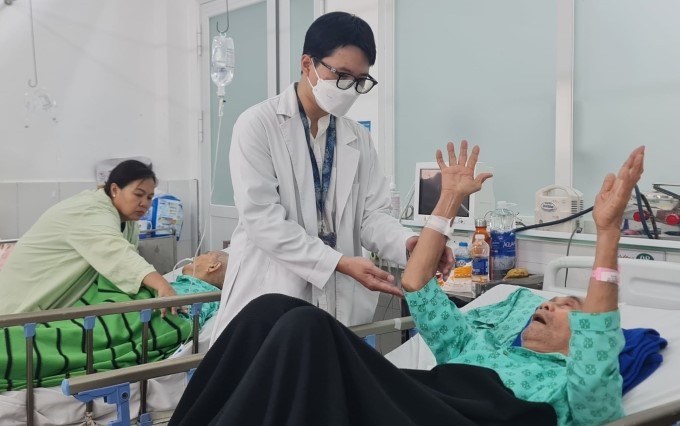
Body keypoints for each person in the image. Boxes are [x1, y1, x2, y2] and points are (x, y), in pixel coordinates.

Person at [169, 141, 645, 426]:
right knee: (269, 309)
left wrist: (607, 233)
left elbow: (599, 336)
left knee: (305, 331)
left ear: (587, 339)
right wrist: (449, 201)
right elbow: (417, 284)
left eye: (568, 306)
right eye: (553, 300)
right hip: (412, 398)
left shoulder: (578, 387)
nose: (548, 304)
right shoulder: (476, 343)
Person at [211, 11, 452, 342]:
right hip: (271, 296)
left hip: (341, 309)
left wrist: (408, 243)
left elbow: (372, 216)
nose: (350, 89)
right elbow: (263, 221)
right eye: (342, 75)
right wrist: (338, 262)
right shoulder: (258, 125)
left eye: (360, 80)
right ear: (307, 64)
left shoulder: (357, 138)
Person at [0, 160, 179, 315]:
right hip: (19, 303)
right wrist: (161, 284)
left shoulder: (127, 221)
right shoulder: (90, 210)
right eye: (138, 194)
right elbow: (117, 255)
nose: (145, 203)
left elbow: (126, 261)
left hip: (51, 303)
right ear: (115, 189)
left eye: (149, 197)